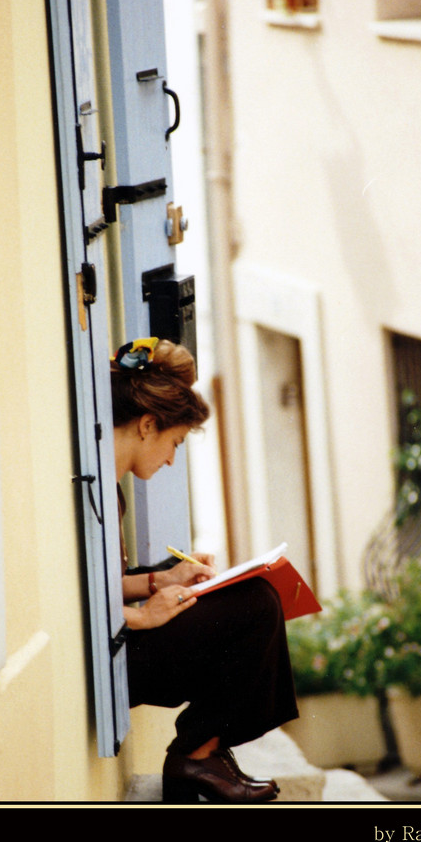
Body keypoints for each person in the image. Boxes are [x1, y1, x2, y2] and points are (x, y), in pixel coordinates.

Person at [111, 337, 299, 803]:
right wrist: (142, 616)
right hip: (111, 658)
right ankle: (197, 754)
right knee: (255, 605)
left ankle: (204, 752)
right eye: (173, 442)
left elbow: (102, 585)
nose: (172, 457)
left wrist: (164, 580)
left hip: (119, 644)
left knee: (257, 593)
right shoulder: (88, 489)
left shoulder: (108, 488)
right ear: (147, 425)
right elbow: (73, 599)